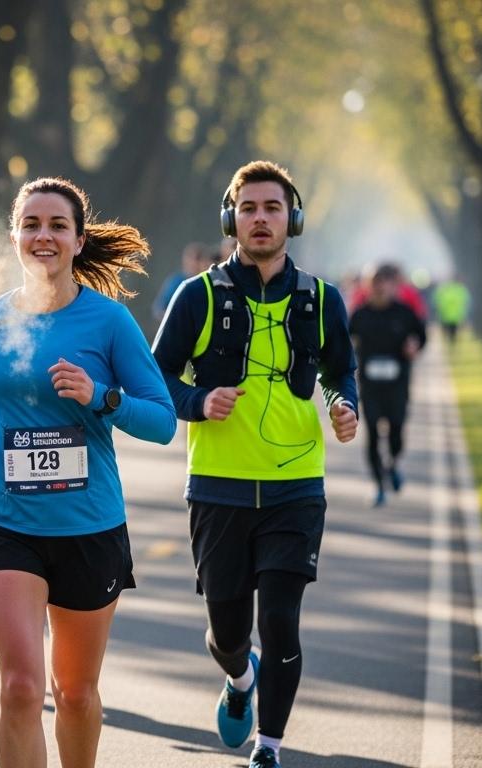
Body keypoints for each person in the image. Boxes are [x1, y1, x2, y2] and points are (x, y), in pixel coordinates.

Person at [0, 177, 175, 768]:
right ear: (14, 236)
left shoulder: (109, 322)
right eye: (32, 225)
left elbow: (163, 421)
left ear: (78, 238)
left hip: (88, 526)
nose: (44, 236)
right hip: (4, 521)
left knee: (76, 694)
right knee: (18, 689)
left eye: (57, 225)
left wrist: (101, 397)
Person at [150, 160, 358, 768]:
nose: (260, 219)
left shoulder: (321, 299)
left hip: (297, 489)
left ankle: (268, 747)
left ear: (291, 219)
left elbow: (338, 368)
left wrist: (344, 404)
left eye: (272, 208)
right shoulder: (198, 296)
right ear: (230, 219)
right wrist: (197, 401)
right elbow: (157, 377)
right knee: (228, 633)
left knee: (282, 620)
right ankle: (240, 679)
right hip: (219, 488)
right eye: (249, 209)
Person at [349, 265, 427, 506]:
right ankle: (378, 484)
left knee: (396, 430)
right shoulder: (360, 314)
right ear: (367, 287)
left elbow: (421, 335)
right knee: (372, 433)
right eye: (375, 283)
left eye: (385, 283)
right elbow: (344, 340)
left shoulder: (404, 313)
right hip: (370, 385)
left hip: (397, 384)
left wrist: (415, 346)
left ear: (394, 286)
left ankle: (392, 463)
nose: (380, 288)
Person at [152, 242, 217, 323]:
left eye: (197, 259)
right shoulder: (176, 281)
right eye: (190, 258)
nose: (193, 263)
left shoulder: (211, 281)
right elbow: (159, 309)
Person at [433, 273, 470, 345]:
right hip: (455, 315)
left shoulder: (445, 289)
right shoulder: (461, 289)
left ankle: (449, 342)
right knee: (453, 331)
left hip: (445, 314)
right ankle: (451, 342)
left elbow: (438, 299)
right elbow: (466, 301)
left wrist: (439, 308)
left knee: (448, 330)